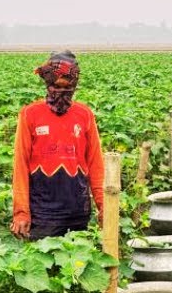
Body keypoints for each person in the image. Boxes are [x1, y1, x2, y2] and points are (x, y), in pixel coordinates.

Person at [11, 51, 106, 240]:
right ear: (47, 84)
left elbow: (96, 164)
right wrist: (21, 212)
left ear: (74, 85)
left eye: (67, 87)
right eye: (56, 86)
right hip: (43, 212)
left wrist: (104, 206)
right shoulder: (30, 114)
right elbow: (20, 164)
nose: (61, 91)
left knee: (78, 266)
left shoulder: (85, 114)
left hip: (78, 209)